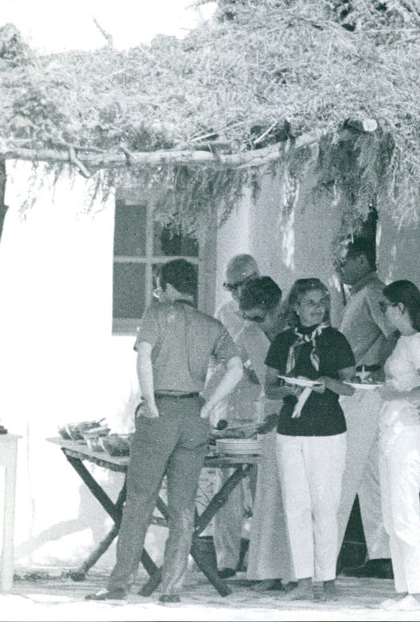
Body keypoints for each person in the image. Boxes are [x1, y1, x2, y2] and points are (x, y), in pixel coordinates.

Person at [86, 259, 243, 603]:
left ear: (169, 287)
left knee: (139, 501)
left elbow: (143, 359)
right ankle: (172, 588)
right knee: (183, 506)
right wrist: (208, 406)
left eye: (159, 285)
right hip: (193, 414)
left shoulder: (157, 313)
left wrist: (151, 402)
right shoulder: (212, 325)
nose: (157, 292)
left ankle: (118, 585)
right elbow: (236, 369)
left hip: (161, 414)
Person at [263, 278, 357, 601]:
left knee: (325, 507)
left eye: (321, 303)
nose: (317, 308)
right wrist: (287, 390)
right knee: (296, 506)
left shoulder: (336, 340)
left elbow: (350, 386)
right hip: (291, 432)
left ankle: (327, 580)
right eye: (310, 302)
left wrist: (327, 383)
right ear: (296, 306)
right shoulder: (282, 342)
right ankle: (303, 580)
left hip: (329, 431)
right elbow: (268, 388)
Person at [374, 280, 420, 611]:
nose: (383, 312)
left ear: (400, 308)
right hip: (390, 432)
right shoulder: (400, 342)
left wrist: (396, 395)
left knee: (404, 514)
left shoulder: (416, 343)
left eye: (386, 306)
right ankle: (405, 589)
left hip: (406, 436)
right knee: (391, 516)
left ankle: (419, 590)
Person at [334, 238, 395, 579]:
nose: (338, 268)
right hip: (358, 390)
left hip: (362, 389)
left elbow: (392, 333)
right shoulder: (359, 294)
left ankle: (329, 553)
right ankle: (382, 553)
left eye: (342, 261)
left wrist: (375, 368)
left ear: (360, 260)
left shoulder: (373, 293)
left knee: (347, 470)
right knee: (370, 473)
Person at [236, 276, 295, 591]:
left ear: (277, 308)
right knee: (267, 495)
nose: (255, 325)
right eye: (248, 318)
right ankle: (264, 570)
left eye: (259, 317)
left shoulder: (298, 333)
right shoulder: (248, 333)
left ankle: (293, 573)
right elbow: (227, 365)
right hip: (267, 416)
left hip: (299, 416)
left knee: (293, 496)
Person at [211, 254, 261, 579]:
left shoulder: (271, 307)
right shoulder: (224, 313)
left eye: (238, 287)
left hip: (258, 408)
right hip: (229, 408)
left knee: (262, 486)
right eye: (229, 288)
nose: (233, 294)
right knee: (226, 486)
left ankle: (259, 562)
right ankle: (226, 560)